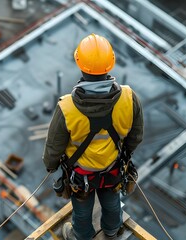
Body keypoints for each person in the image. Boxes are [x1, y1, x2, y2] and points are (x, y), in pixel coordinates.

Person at [42, 33, 144, 240]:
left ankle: (81, 235)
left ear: (79, 63)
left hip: (81, 174)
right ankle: (112, 230)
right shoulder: (129, 97)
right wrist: (126, 153)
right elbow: (136, 135)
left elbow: (54, 146)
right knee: (111, 200)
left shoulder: (67, 107)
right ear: (111, 63)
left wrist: (51, 165)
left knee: (82, 207)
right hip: (113, 167)